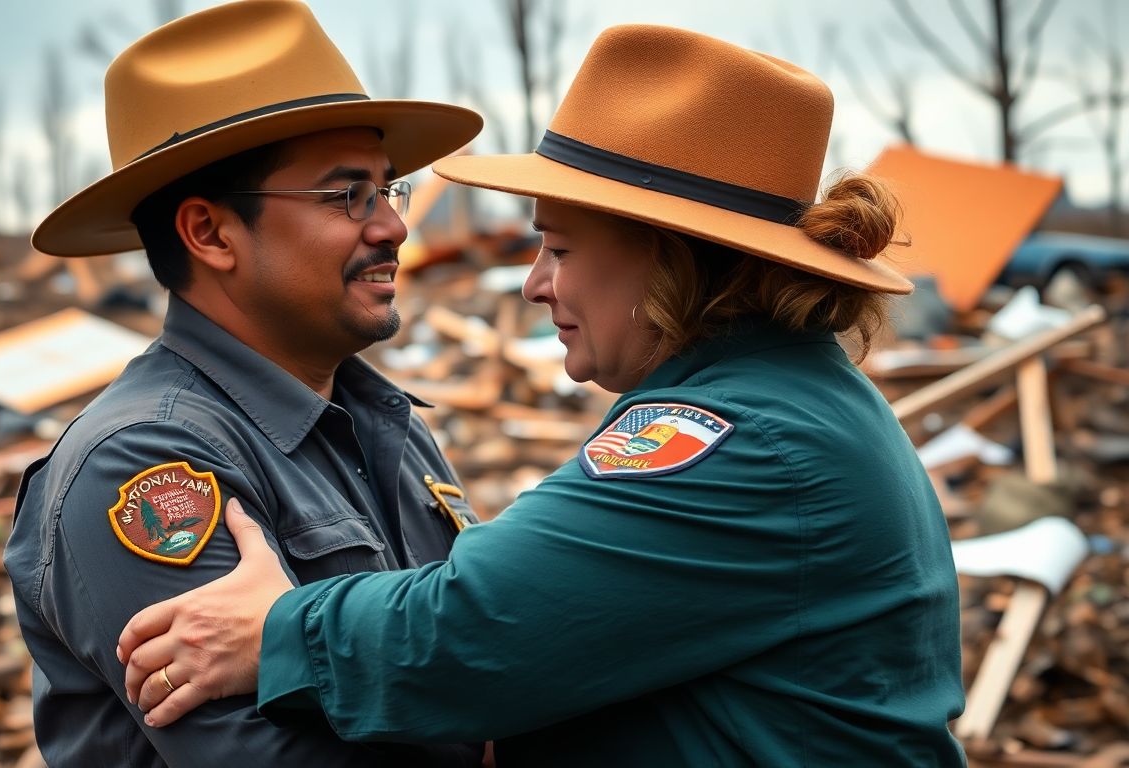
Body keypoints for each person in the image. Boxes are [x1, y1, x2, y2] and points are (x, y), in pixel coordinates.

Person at [115, 23, 967, 767]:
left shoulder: (740, 435)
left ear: (669, 258)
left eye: (558, 247)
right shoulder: (784, 404)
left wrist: (275, 633)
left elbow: (473, 631)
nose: (533, 284)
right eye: (347, 195)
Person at [2, 1, 486, 766]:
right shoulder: (146, 462)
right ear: (211, 233)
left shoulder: (382, 422)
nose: (394, 227)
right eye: (344, 195)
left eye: (387, 190)